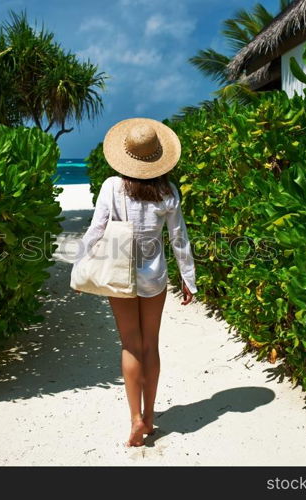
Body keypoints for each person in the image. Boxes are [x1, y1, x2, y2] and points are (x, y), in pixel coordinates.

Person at [74, 117, 198, 447]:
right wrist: (189, 279)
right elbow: (179, 239)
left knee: (130, 344)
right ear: (158, 156)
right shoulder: (167, 191)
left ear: (125, 154)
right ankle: (152, 415)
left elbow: (96, 230)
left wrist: (79, 266)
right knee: (150, 344)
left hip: (119, 275)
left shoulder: (111, 187)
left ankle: (135, 419)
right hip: (154, 278)